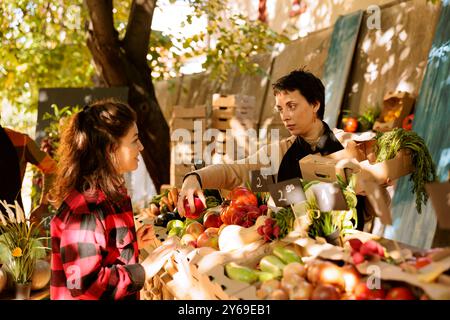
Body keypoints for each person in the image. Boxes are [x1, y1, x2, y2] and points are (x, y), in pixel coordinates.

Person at [178, 68, 364, 223]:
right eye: (281, 109)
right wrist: (195, 178)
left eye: (291, 106)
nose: (285, 116)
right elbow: (236, 171)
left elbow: (370, 200)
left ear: (315, 104)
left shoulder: (347, 145)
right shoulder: (280, 151)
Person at [49, 99, 155, 300]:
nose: (141, 146)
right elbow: (84, 286)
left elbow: (101, 253)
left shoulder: (114, 193)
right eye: (134, 140)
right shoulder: (84, 209)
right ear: (110, 149)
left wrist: (132, 245)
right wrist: (144, 269)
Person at [0, 118, 56, 221]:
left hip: (11, 224)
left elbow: (51, 168)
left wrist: (43, 205)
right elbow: (51, 168)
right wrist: (43, 205)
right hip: (12, 224)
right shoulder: (21, 140)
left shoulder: (22, 141)